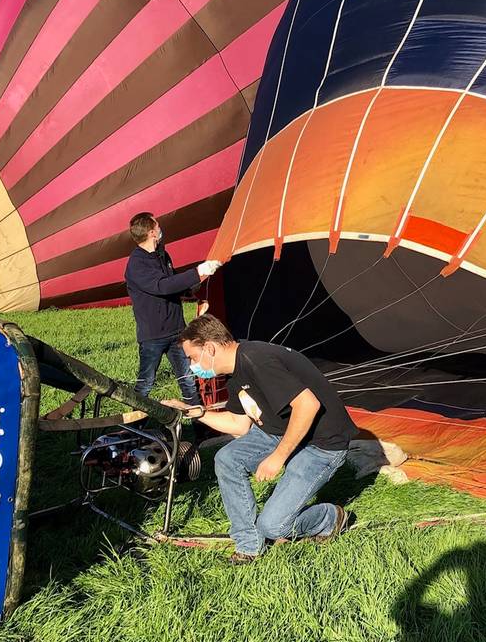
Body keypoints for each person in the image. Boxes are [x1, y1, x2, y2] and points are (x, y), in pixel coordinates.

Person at [163, 315, 359, 564]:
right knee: (227, 459)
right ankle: (248, 546)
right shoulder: (234, 372)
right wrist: (195, 412)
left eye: (192, 357)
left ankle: (330, 518)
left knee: (274, 527)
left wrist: (277, 458)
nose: (192, 366)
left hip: (320, 445)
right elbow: (239, 424)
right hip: (278, 431)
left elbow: (308, 405)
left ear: (210, 348)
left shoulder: (257, 359)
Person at [125, 212, 220, 405]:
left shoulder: (162, 255)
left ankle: (198, 424)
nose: (161, 230)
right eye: (158, 226)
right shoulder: (136, 264)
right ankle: (135, 428)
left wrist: (193, 288)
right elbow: (162, 286)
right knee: (145, 384)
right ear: (152, 232)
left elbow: (173, 281)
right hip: (153, 336)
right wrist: (197, 272)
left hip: (177, 330)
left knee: (187, 381)